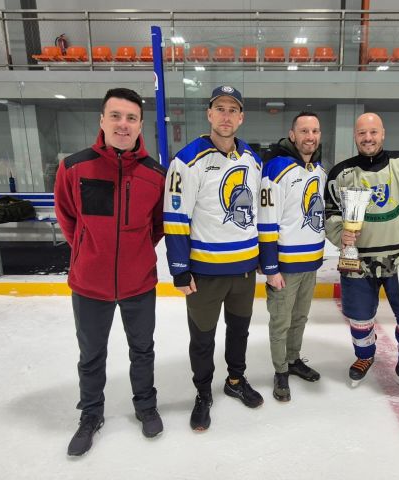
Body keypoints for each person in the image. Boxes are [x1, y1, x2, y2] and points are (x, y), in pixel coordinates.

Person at [54, 88, 166, 456]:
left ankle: (145, 406)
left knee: (143, 350)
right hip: (89, 284)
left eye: (131, 118)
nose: (123, 124)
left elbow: (157, 226)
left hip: (139, 283)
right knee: (91, 355)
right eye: (115, 116)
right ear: (102, 120)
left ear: (140, 125)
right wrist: (89, 250)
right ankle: (90, 415)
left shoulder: (155, 175)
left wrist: (135, 253)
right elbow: (68, 218)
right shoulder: (74, 167)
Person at [164, 85, 264, 431]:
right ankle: (203, 392)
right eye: (220, 108)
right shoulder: (187, 160)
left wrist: (262, 258)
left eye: (232, 110)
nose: (226, 116)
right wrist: (179, 269)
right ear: (209, 114)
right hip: (205, 273)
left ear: (241, 118)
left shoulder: (252, 159)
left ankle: (235, 380)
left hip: (244, 271)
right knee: (203, 338)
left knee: (239, 332)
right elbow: (176, 217)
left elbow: (257, 213)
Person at [324, 112, 399, 403]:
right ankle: (365, 355)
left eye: (373, 132)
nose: (368, 138)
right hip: (357, 259)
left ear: (383, 133)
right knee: (359, 316)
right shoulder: (340, 173)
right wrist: (340, 234)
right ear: (355, 136)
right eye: (362, 133)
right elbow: (330, 214)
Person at [258, 112, 326, 402]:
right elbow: (266, 220)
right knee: (281, 322)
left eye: (315, 131)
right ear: (292, 134)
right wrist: (270, 266)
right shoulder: (276, 169)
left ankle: (294, 359)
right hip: (284, 266)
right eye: (304, 131)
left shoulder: (319, 170)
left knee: (300, 318)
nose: (310, 136)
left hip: (310, 263)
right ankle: (281, 370)